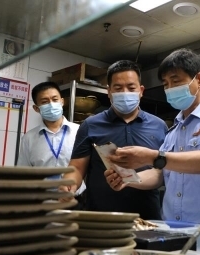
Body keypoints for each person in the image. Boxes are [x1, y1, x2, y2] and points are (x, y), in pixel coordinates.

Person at [105, 48, 200, 255]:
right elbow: (161, 173)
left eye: (176, 81)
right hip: (173, 233)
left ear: (199, 79)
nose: (170, 89)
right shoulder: (173, 130)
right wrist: (128, 179)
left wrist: (151, 156)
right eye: (166, 84)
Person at [59, 60, 167, 220]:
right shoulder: (90, 125)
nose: (125, 93)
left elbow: (164, 171)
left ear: (141, 90)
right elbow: (76, 167)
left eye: (131, 88)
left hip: (148, 219)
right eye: (118, 88)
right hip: (101, 219)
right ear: (108, 91)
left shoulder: (159, 126)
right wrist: (69, 184)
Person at [17, 81, 86, 198]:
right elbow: (24, 174)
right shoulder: (29, 138)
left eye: (55, 99)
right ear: (36, 108)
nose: (51, 104)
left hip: (76, 197)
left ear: (62, 102)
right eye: (45, 102)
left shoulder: (80, 132)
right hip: (42, 200)